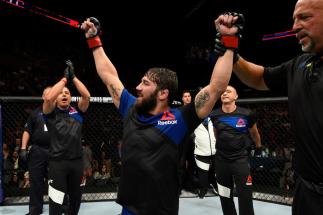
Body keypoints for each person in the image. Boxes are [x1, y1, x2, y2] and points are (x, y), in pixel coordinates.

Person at [80, 14, 242, 215]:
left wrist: (229, 42)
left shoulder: (180, 119)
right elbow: (109, 76)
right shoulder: (131, 107)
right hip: (128, 209)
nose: (138, 87)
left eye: (145, 83)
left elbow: (217, 87)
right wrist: (93, 40)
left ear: (163, 93)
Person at [214, 3, 323, 214]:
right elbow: (259, 78)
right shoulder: (300, 64)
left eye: (304, 17)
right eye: (294, 19)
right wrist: (230, 47)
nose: (295, 26)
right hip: (306, 191)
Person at [42, 60, 91, 215]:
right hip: (58, 164)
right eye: (61, 93)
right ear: (57, 98)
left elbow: (86, 95)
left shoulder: (78, 112)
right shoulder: (50, 114)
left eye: (67, 93)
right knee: (56, 204)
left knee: (75, 203)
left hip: (77, 163)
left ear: (70, 98)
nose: (64, 94)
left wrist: (74, 77)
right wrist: (64, 79)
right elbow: (49, 98)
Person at [210, 85, 261, 215]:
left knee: (245, 196)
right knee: (225, 195)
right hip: (221, 160)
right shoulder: (214, 115)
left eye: (229, 91)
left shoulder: (246, 114)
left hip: (240, 160)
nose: (225, 93)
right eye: (223, 92)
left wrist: (258, 147)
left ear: (236, 96)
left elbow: (254, 133)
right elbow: (217, 134)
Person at [20, 86, 51, 215]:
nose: (51, 96)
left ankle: (62, 207)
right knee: (36, 180)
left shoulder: (59, 112)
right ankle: (35, 209)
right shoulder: (35, 113)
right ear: (43, 97)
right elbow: (27, 131)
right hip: (38, 150)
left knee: (57, 181)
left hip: (55, 150)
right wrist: (23, 148)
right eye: (48, 94)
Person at [193, 116, 216, 199]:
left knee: (216, 171)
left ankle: (215, 186)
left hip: (215, 151)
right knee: (203, 173)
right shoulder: (193, 119)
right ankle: (203, 190)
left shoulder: (214, 118)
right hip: (200, 151)